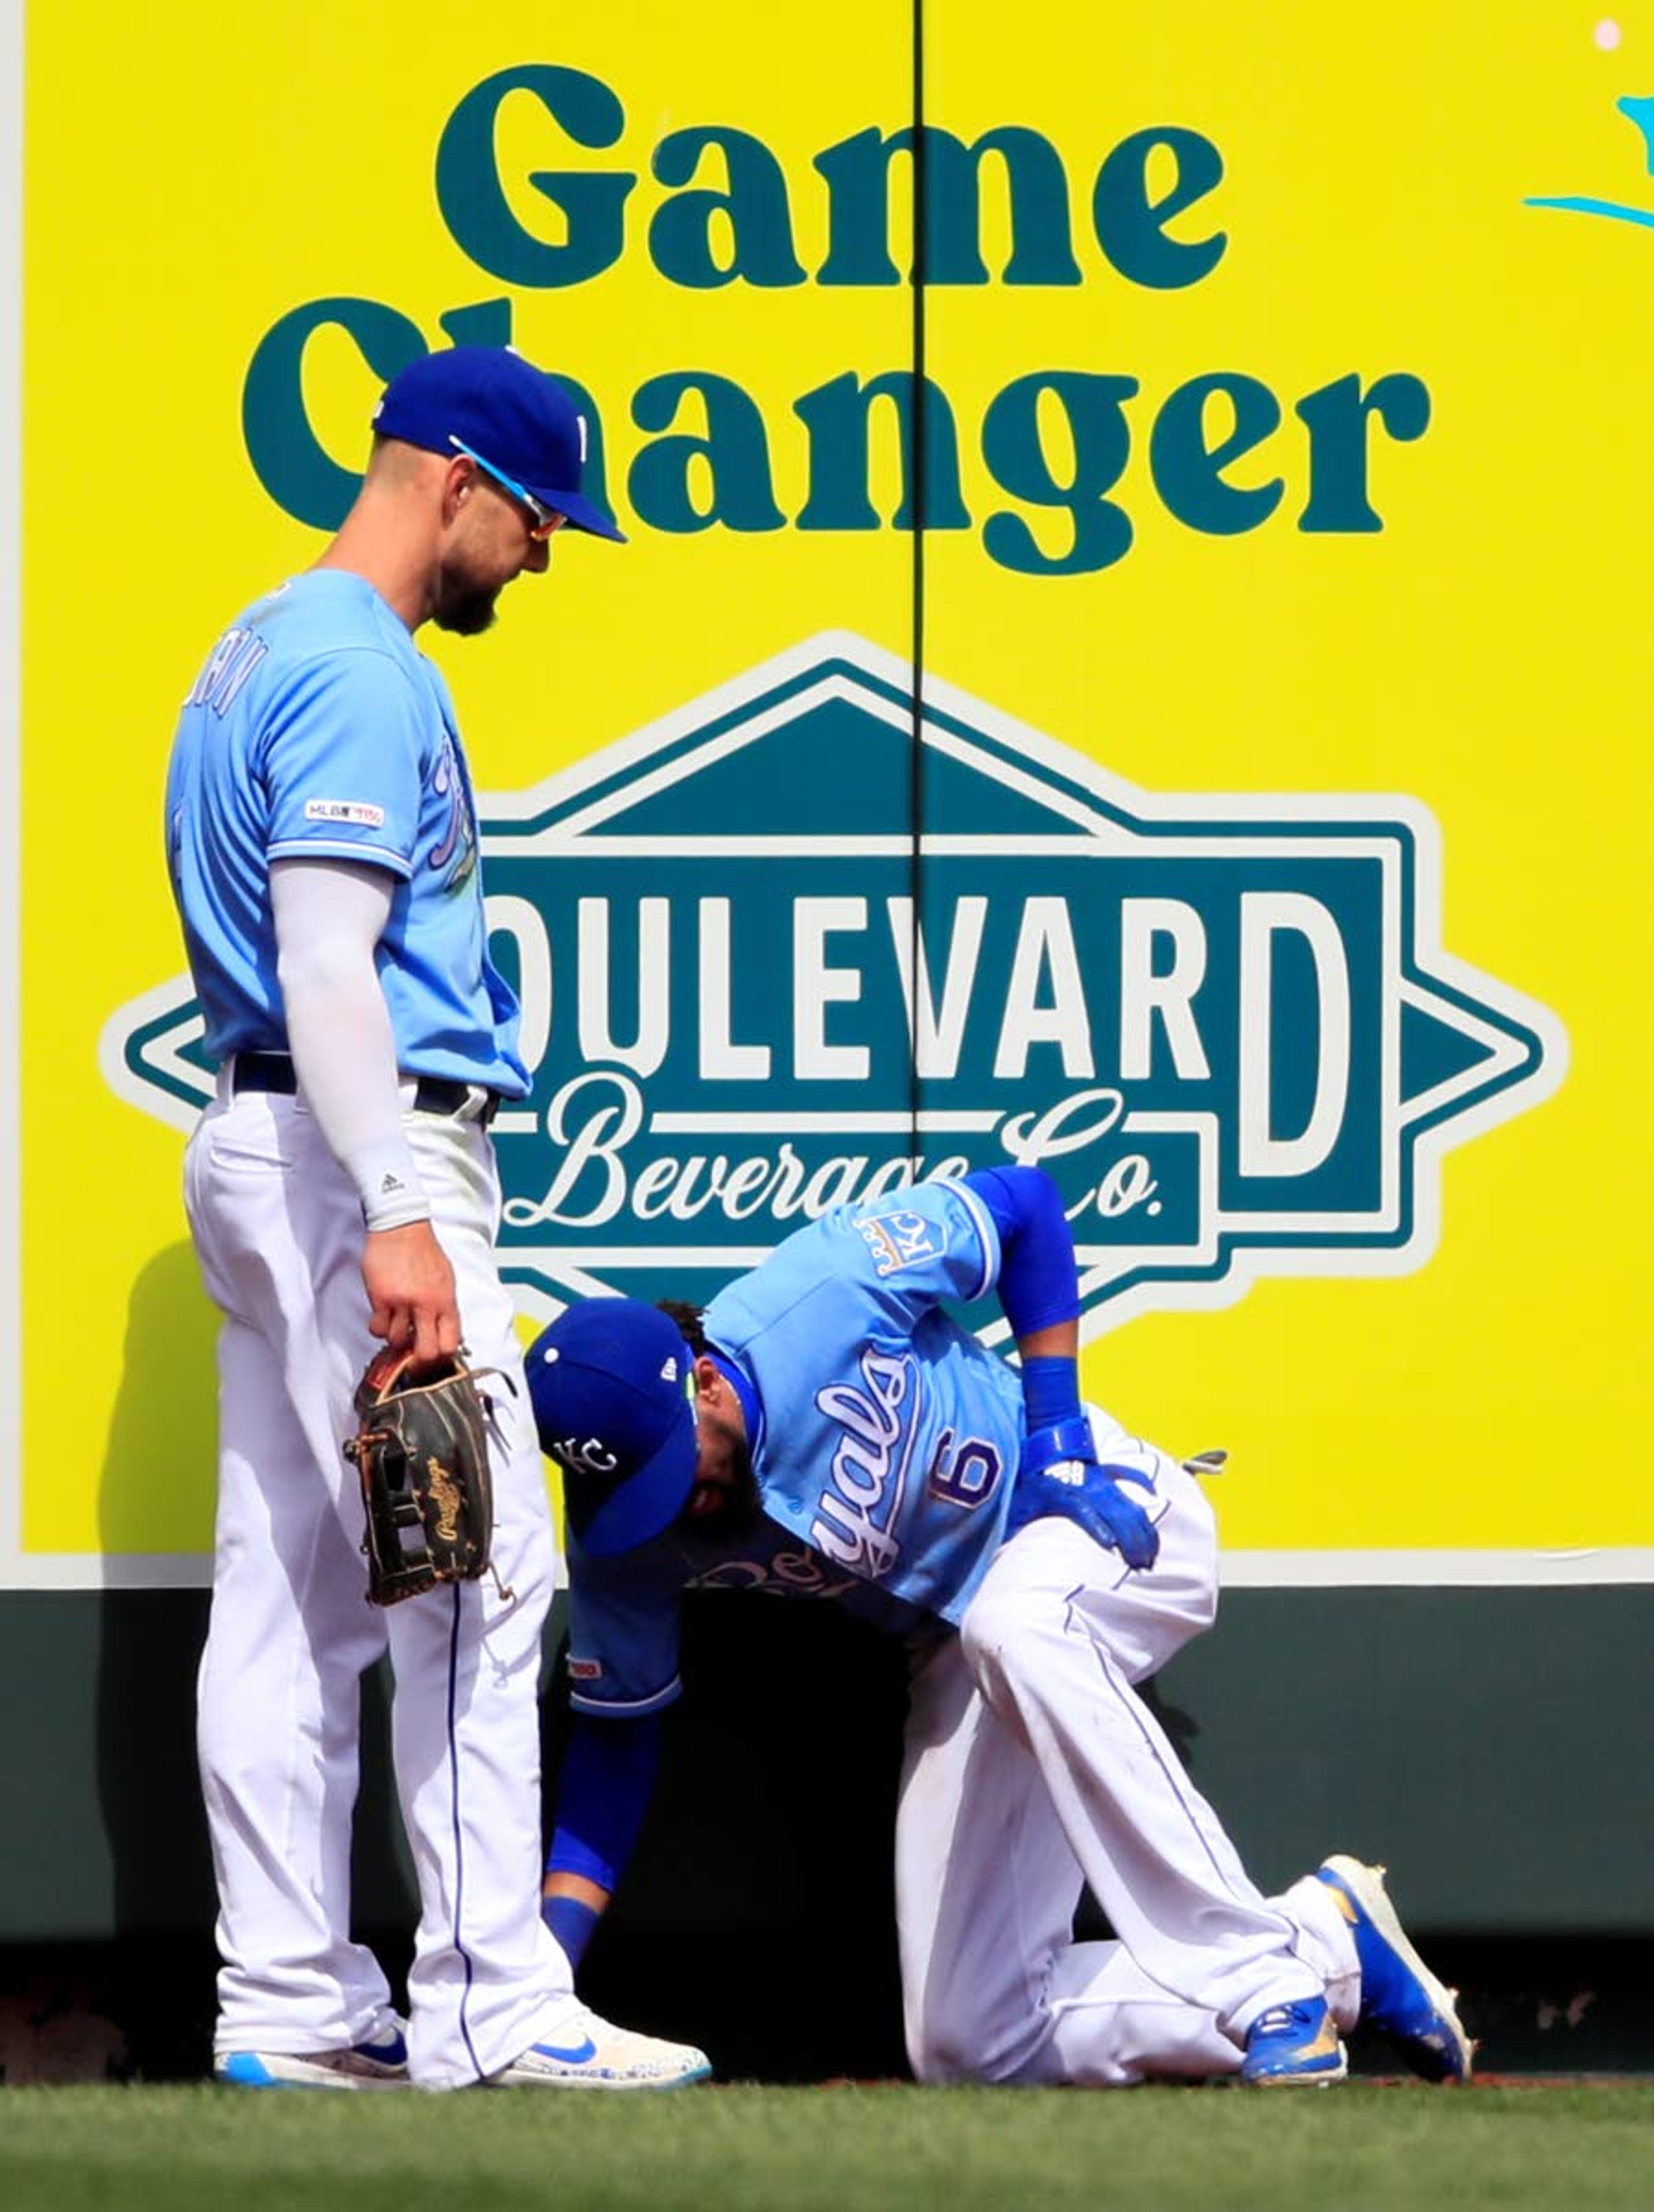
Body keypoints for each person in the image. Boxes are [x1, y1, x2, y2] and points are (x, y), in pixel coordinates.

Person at [165, 345, 709, 2094]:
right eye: (542, 517)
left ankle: (289, 2003)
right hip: (358, 1164)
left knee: (291, 1597)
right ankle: (493, 2000)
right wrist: (397, 1201)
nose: (546, 554)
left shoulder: (256, 639)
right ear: (456, 478)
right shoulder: (355, 668)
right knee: (476, 1573)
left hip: (266, 1147)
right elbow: (330, 956)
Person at [527, 1167, 1473, 2089]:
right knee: (972, 2041)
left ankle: (1264, 1987)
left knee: (1014, 1625)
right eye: (632, 1490)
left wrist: (1058, 1436)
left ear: (703, 1382)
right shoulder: (626, 1536)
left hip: (1093, 1512)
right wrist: (545, 1977)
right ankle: (1329, 1948)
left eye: (669, 1465)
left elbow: (1025, 1204)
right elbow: (616, 1740)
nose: (672, 1503)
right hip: (969, 1641)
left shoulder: (812, 1296)